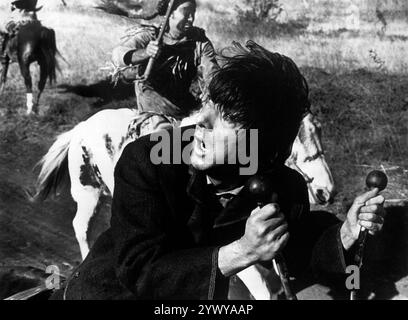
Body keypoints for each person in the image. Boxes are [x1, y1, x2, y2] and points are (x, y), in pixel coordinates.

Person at [52, 41, 385, 300]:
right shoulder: (151, 159)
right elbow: (140, 273)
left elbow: (293, 246)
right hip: (111, 291)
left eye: (226, 117)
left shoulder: (282, 186)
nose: (202, 121)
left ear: (263, 148)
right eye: (209, 103)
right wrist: (239, 252)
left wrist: (344, 235)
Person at [111, 0, 219, 121]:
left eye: (193, 13)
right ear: (170, 14)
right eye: (186, 12)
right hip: (153, 115)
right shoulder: (150, 37)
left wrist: (215, 91)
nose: (191, 18)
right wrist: (146, 53)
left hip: (184, 113)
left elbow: (212, 73)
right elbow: (118, 54)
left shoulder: (199, 42)